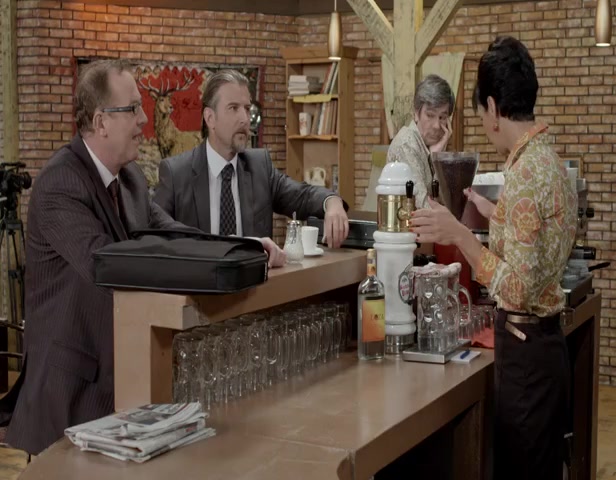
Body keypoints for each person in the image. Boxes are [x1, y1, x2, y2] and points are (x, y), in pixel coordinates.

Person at [409, 36, 577, 480]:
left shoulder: (522, 175)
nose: (484, 123)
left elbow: (517, 289)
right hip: (547, 349)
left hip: (526, 355)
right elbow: (541, 239)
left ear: (493, 107)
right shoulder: (549, 161)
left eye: (481, 113)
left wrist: (461, 235)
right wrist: (496, 213)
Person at [4, 59, 191, 455]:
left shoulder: (131, 178)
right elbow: (105, 262)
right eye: (133, 108)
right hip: (69, 392)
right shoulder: (60, 181)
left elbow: (169, 232)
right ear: (101, 122)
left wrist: (238, 248)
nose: (144, 119)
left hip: (121, 383)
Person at [153, 69, 350, 263]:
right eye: (233, 108)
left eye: (247, 109)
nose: (245, 119)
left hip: (256, 283)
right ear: (210, 118)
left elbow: (302, 196)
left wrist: (331, 202)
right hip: (200, 281)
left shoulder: (259, 167)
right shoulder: (176, 173)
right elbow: (155, 239)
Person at [386, 74, 455, 209]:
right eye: (430, 115)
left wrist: (437, 158)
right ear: (416, 113)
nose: (437, 125)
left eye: (442, 117)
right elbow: (424, 208)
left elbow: (446, 202)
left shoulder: (432, 147)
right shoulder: (407, 144)